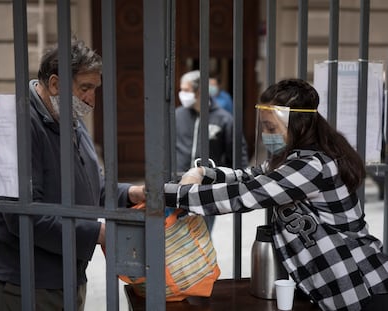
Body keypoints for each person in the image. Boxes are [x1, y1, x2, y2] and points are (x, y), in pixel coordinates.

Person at [165, 78, 388, 311]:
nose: (265, 134)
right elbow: (248, 177)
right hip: (333, 287)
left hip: (361, 285)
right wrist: (203, 173)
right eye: (263, 126)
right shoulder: (291, 160)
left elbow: (245, 194)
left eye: (271, 128)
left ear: (298, 126)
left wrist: (168, 194)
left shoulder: (312, 166)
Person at [0, 39, 145, 311]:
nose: (91, 99)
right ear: (54, 84)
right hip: (29, 282)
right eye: (85, 88)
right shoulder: (18, 123)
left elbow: (90, 186)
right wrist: (98, 233)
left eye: (95, 89)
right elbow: (24, 215)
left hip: (68, 275)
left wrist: (131, 193)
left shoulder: (69, 118)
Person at [176, 70, 249, 231]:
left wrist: (237, 184)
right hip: (177, 186)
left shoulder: (224, 119)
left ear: (199, 91)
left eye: (186, 90)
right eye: (181, 90)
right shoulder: (177, 115)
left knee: (203, 237)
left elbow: (237, 152)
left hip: (207, 188)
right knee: (176, 241)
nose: (182, 94)